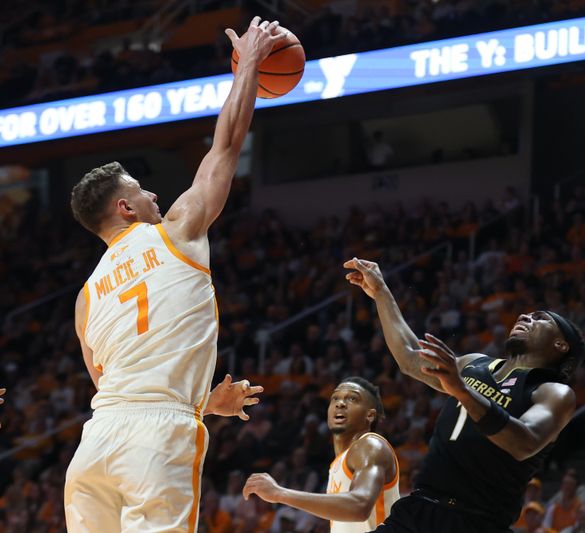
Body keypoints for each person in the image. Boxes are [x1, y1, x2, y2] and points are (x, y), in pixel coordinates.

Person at [63, 17, 285, 532]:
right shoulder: (175, 230)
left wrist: (204, 402)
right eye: (143, 190)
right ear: (126, 207)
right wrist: (249, 63)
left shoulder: (85, 299)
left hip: (95, 444)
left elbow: (120, 387)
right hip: (156, 443)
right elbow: (226, 146)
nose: (155, 196)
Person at [343, 258, 585, 533]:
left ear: (560, 344)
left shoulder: (553, 391)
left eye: (539, 318)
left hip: (476, 521)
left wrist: (462, 390)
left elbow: (525, 442)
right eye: (527, 314)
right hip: (419, 509)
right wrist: (381, 293)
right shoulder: (475, 364)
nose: (525, 317)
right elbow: (410, 359)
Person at [242, 377, 399, 533]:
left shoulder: (371, 445)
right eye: (335, 398)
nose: (340, 403)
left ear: (370, 415)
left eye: (352, 398)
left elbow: (359, 506)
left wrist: (279, 493)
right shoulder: (338, 463)